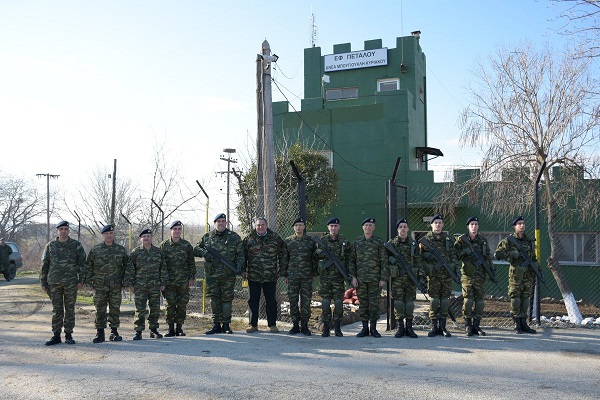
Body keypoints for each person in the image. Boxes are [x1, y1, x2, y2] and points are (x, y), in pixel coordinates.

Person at [195, 213, 245, 335]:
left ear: (226, 223)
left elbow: (241, 254)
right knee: (214, 300)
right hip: (212, 275)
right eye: (219, 221)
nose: (221, 223)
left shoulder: (234, 237)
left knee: (227, 300)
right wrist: (205, 253)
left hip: (228, 275)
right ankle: (216, 325)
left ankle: (226, 325)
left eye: (223, 221)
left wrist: (240, 268)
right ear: (215, 223)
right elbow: (196, 249)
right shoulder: (207, 237)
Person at [39, 221, 86, 346]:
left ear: (69, 231)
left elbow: (82, 264)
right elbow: (45, 264)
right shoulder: (51, 245)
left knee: (70, 309)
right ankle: (56, 335)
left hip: (71, 283)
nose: (63, 231)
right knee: (57, 309)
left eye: (66, 229)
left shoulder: (76, 245)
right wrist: (43, 282)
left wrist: (81, 280)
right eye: (61, 229)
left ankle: (69, 334)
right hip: (54, 283)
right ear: (57, 231)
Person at [85, 224, 129, 343]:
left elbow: (127, 267)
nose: (109, 235)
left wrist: (126, 282)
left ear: (113, 234)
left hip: (116, 285)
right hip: (99, 285)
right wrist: (88, 281)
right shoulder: (96, 250)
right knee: (100, 309)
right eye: (106, 234)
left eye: (111, 233)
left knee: (115, 308)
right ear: (103, 235)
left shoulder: (120, 249)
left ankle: (114, 332)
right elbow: (89, 267)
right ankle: (100, 333)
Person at [494, 216, 538, 334]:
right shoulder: (508, 241)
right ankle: (516, 323)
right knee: (516, 299)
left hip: (527, 275)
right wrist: (511, 254)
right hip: (516, 276)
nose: (522, 225)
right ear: (514, 226)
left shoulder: (528, 241)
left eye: (523, 223)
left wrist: (536, 267)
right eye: (519, 223)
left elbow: (533, 257)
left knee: (525, 299)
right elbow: (497, 254)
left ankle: (524, 323)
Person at [242, 217, 287, 333]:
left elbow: (283, 254)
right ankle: (253, 324)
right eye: (258, 225)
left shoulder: (275, 238)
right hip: (253, 275)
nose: (260, 227)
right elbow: (243, 255)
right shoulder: (249, 238)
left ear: (266, 225)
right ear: (255, 226)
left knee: (271, 300)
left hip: (270, 275)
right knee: (253, 300)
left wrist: (282, 270)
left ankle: (272, 324)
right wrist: (243, 270)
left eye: (262, 225)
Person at [419, 214, 459, 338]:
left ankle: (443, 327)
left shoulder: (448, 239)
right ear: (431, 225)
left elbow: (454, 256)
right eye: (435, 223)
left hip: (446, 276)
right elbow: (420, 258)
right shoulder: (426, 240)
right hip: (434, 276)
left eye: (440, 223)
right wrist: (428, 264)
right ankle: (434, 326)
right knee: (434, 301)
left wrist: (453, 267)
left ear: (443, 225)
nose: (438, 225)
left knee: (445, 301)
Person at [124, 229, 168, 340]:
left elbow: (163, 268)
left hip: (154, 285)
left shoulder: (158, 252)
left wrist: (163, 282)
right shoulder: (135, 252)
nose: (146, 238)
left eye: (148, 236)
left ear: (151, 237)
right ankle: (138, 331)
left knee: (155, 308)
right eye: (144, 236)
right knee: (140, 309)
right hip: (140, 286)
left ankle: (153, 329)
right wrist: (130, 284)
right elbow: (130, 269)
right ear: (141, 239)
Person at [454, 216, 493, 337]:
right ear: (468, 226)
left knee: (480, 302)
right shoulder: (461, 240)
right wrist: (463, 252)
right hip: (467, 275)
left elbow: (487, 257)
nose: (474, 227)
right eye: (471, 225)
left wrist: (491, 271)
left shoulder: (483, 240)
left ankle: (476, 325)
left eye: (476, 224)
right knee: (468, 301)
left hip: (480, 275)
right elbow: (454, 255)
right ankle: (468, 325)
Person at [349, 218, 388, 338]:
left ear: (374, 228)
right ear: (363, 227)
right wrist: (353, 277)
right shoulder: (357, 242)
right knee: (363, 304)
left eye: (371, 225)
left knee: (374, 304)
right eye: (366, 225)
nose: (368, 227)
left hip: (375, 280)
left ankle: (374, 329)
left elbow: (384, 261)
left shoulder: (378, 242)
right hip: (360, 280)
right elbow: (352, 261)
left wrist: (383, 278)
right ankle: (365, 328)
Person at [386, 219, 423, 338]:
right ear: (397, 230)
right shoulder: (391, 244)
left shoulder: (413, 244)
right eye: (400, 227)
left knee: (409, 303)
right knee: (398, 302)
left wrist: (421, 277)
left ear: (407, 229)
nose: (402, 229)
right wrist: (392, 261)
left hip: (410, 278)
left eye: (405, 227)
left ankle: (409, 327)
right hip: (397, 279)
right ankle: (400, 327)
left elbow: (419, 262)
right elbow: (385, 259)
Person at [315, 217, 351, 337]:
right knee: (325, 302)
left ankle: (337, 327)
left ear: (339, 227)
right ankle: (326, 327)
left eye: (335, 226)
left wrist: (349, 274)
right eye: (331, 226)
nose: (333, 228)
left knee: (339, 302)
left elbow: (350, 259)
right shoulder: (323, 240)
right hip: (325, 277)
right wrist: (321, 253)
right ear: (328, 227)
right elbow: (315, 255)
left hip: (338, 277)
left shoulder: (344, 241)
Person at [282, 217, 317, 336]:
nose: (298, 227)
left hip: (307, 276)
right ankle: (295, 324)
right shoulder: (288, 241)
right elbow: (284, 259)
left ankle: (305, 325)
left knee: (306, 301)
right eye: (296, 225)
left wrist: (314, 273)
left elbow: (314, 259)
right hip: (292, 276)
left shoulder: (310, 241)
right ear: (293, 227)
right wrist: (285, 274)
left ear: (304, 227)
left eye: (300, 225)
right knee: (293, 300)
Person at [160, 220, 196, 337]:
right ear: (171, 230)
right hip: (169, 282)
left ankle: (179, 328)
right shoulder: (163, 246)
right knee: (170, 305)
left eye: (179, 229)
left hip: (183, 281)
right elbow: (160, 265)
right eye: (174, 229)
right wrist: (162, 281)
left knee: (181, 304)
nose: (177, 231)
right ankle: (170, 328)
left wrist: (191, 278)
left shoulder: (186, 246)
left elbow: (191, 263)